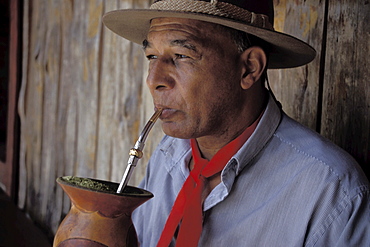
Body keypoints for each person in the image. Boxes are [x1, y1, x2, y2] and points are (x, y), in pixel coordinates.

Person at [103, 0, 369, 246]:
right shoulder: (167, 156)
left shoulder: (332, 192)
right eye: (152, 56)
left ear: (249, 68)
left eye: (182, 55)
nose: (154, 79)